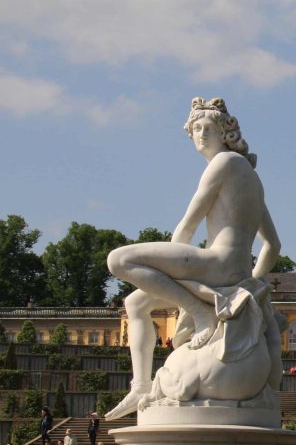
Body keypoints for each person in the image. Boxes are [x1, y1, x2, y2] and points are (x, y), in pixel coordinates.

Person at [104, 97, 281, 419]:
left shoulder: (224, 163)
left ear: (225, 132)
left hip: (215, 263)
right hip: (234, 270)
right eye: (195, 129)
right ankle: (141, 386)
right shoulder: (251, 176)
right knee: (135, 304)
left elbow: (188, 225)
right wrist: (250, 284)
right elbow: (273, 246)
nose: (200, 135)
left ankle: (199, 312)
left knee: (119, 260)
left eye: (207, 128)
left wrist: (173, 279)